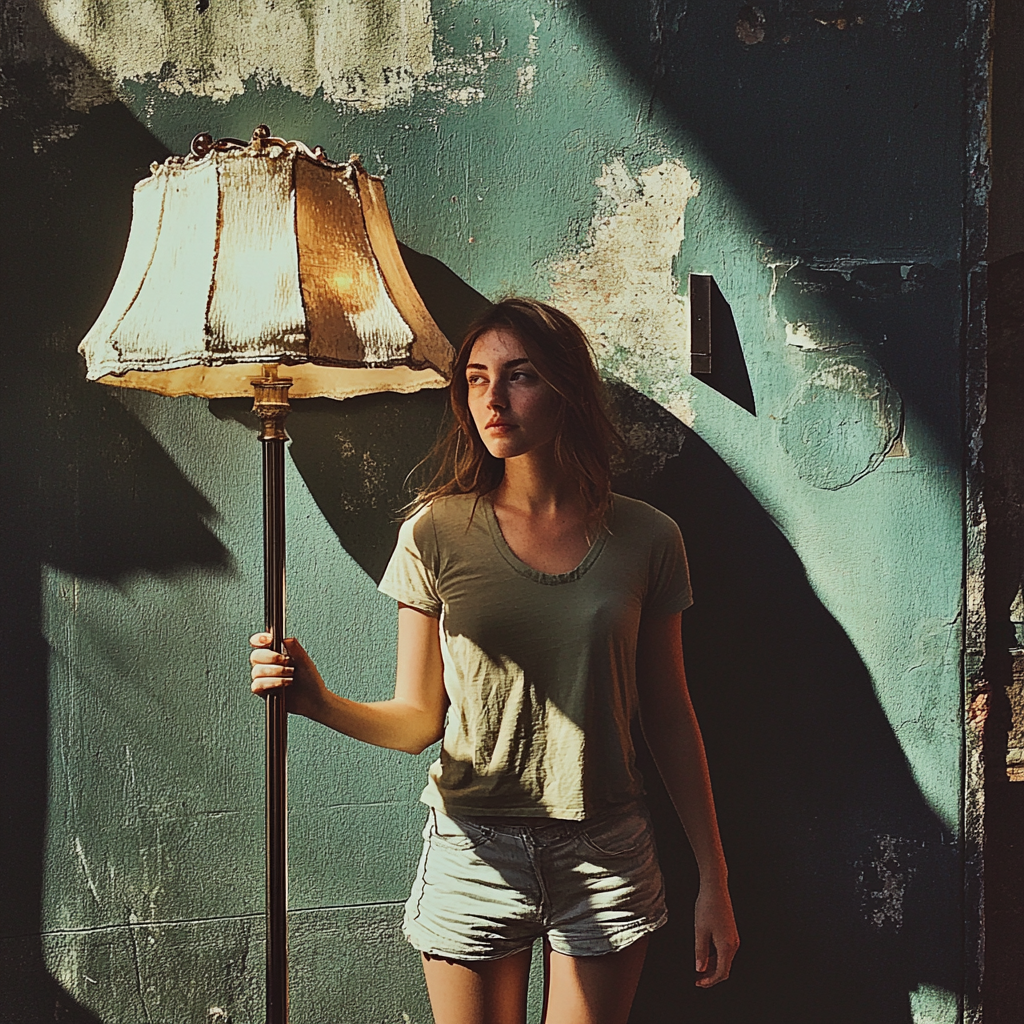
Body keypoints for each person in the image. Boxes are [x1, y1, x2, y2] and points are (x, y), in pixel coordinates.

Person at [250, 298, 739, 1024]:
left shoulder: (648, 537)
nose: (492, 399)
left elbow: (668, 716)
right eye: (476, 379)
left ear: (568, 389)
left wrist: (714, 880)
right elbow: (418, 721)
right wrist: (317, 702)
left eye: (519, 376)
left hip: (603, 851)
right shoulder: (435, 532)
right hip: (475, 854)